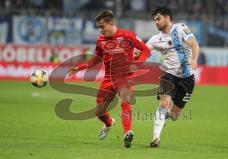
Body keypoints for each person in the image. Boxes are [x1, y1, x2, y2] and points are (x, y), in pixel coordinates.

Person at [68, 10, 150, 148]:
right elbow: (96, 59)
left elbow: (146, 50)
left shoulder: (128, 35)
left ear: (111, 23)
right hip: (109, 78)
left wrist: (137, 64)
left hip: (125, 76)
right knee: (99, 112)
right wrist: (80, 67)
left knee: (125, 101)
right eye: (98, 27)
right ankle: (109, 123)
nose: (100, 30)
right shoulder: (100, 41)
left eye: (102, 26)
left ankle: (127, 132)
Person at [146, 6, 199, 147]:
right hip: (169, 74)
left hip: (187, 78)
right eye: (154, 20)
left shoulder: (181, 28)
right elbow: (143, 51)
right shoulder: (155, 39)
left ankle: (163, 118)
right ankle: (155, 138)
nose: (156, 22)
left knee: (174, 116)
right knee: (163, 104)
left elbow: (194, 44)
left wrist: (193, 59)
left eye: (158, 18)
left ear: (167, 18)